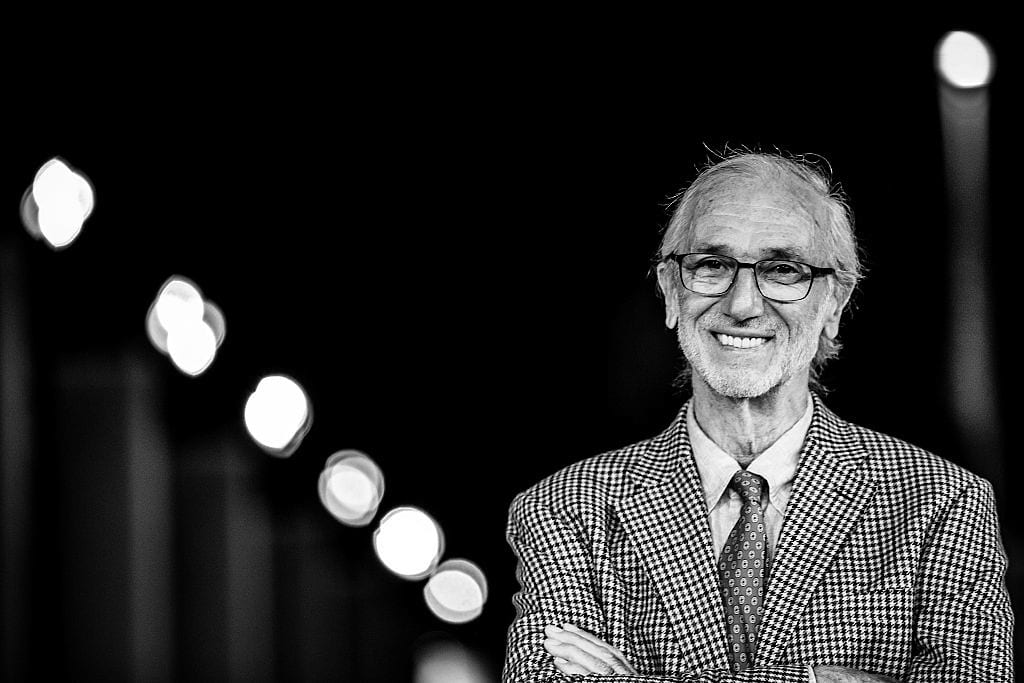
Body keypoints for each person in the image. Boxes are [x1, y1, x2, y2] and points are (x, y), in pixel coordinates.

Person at [502, 152, 1013, 682]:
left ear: (834, 305)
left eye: (782, 269)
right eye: (711, 266)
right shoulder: (562, 509)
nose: (743, 303)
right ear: (671, 291)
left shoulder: (943, 502)